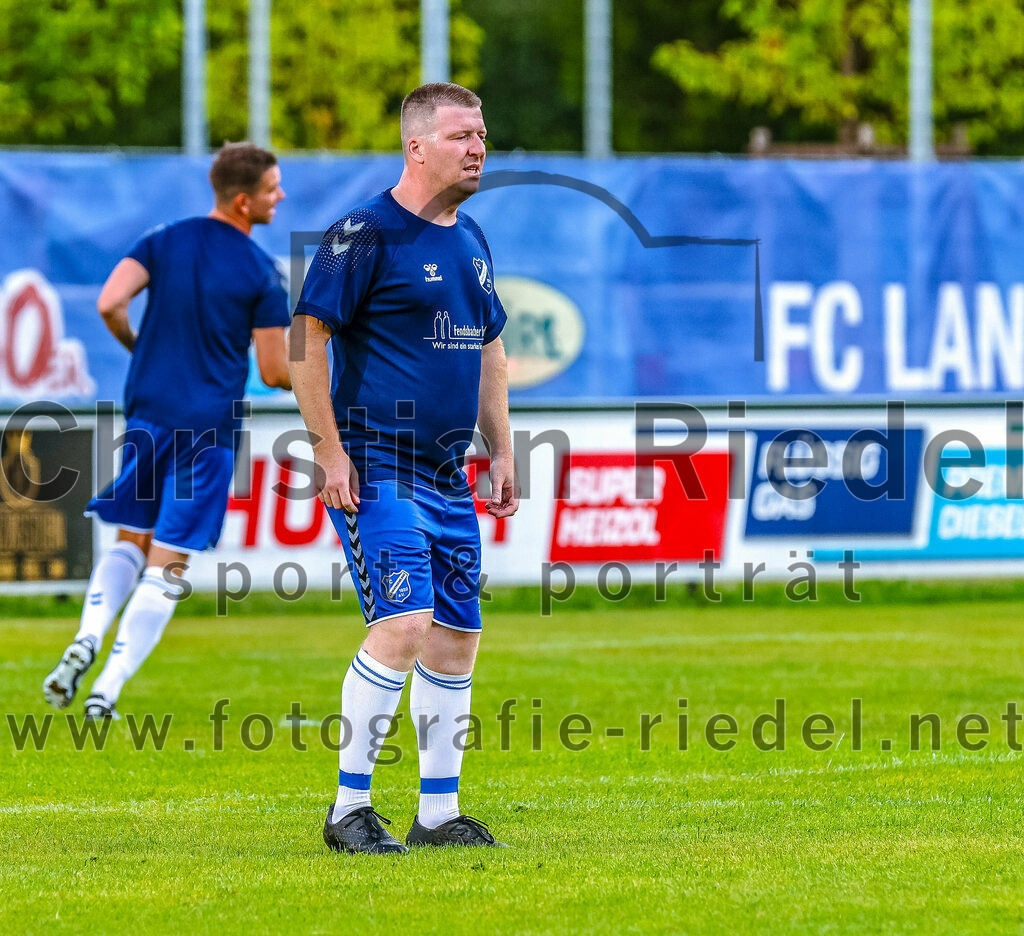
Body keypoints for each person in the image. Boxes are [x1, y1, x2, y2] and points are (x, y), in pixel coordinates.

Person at [290, 83, 519, 854]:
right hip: (377, 466)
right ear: (416, 147)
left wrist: (501, 447)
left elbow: (490, 349)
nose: (478, 148)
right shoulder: (364, 233)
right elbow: (306, 340)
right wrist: (328, 450)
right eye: (461, 136)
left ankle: (437, 816)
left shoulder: (472, 238)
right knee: (404, 624)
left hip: (447, 473)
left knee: (456, 638)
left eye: (481, 134)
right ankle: (347, 810)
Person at [42, 142, 292, 719]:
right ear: (243, 200)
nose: (280, 196)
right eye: (271, 188)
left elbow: (110, 303)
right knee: (169, 560)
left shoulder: (162, 239)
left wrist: (142, 348)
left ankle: (86, 636)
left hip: (148, 412)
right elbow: (275, 371)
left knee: (131, 538)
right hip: (208, 428)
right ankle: (106, 689)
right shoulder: (260, 271)